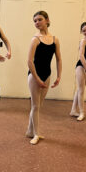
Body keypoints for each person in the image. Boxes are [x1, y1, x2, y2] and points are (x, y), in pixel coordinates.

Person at [26, 11, 62, 145]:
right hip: (34, 75)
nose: (37, 23)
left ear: (47, 20)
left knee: (39, 105)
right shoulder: (35, 39)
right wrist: (37, 78)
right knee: (35, 106)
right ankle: (36, 133)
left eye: (39, 19)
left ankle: (29, 130)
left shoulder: (55, 40)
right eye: (34, 21)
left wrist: (58, 76)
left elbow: (59, 59)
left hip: (47, 74)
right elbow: (29, 61)